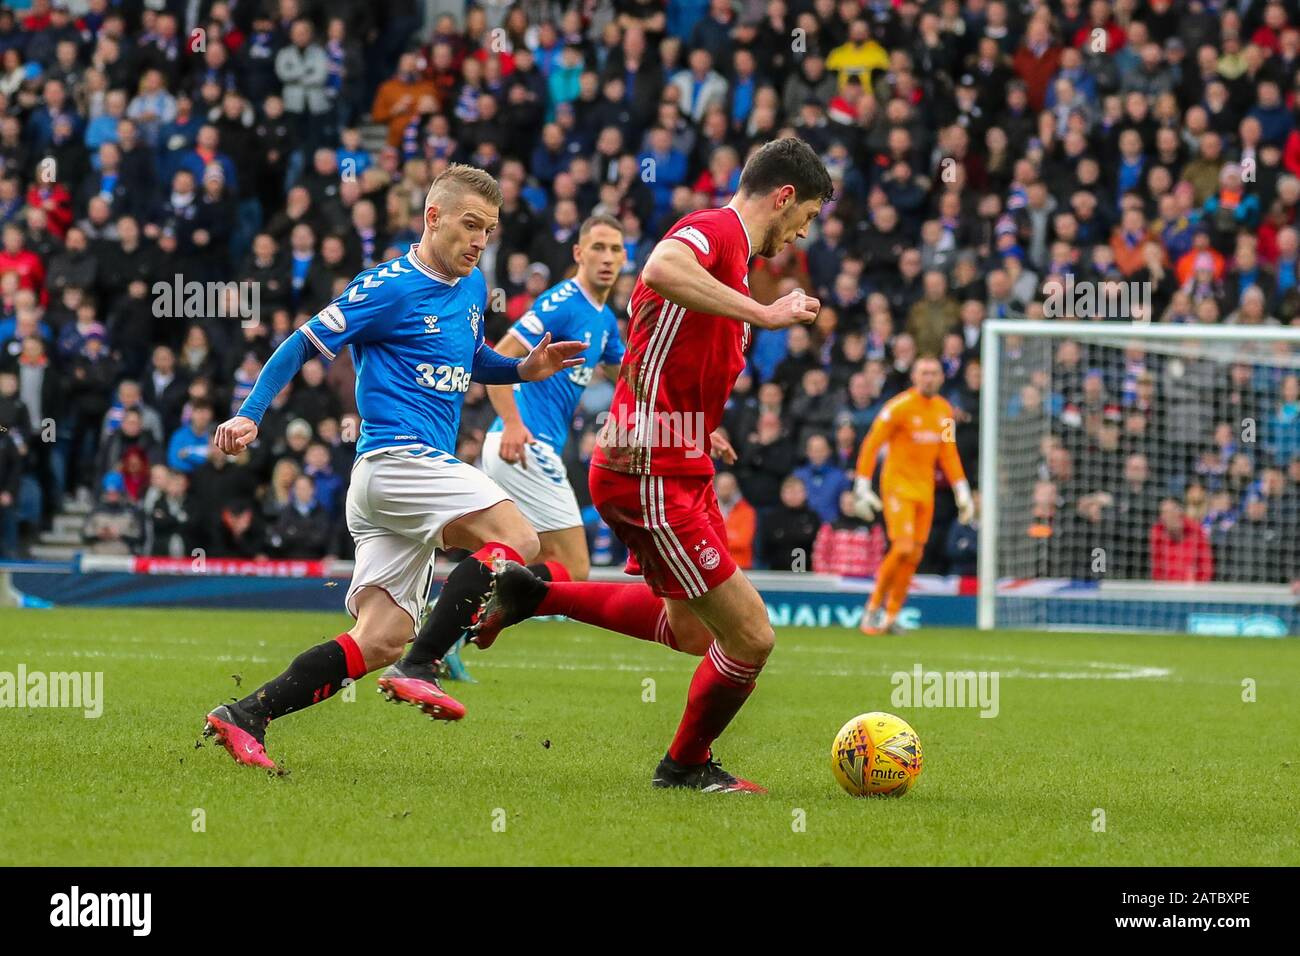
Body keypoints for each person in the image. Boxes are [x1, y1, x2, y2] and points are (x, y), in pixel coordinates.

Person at [469, 137, 833, 793]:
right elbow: (661, 269)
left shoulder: (734, 261)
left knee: (695, 632)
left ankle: (537, 593)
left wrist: (703, 427)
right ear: (782, 196)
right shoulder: (715, 231)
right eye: (805, 215)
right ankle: (684, 766)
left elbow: (667, 354)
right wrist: (764, 314)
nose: (803, 231)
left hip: (676, 457)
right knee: (751, 637)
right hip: (650, 470)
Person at [201, 164, 585, 769]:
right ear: (433, 218)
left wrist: (521, 370)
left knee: (378, 637)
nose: (480, 240)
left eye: (488, 228)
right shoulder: (386, 286)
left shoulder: (472, 285)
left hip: (395, 484)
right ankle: (424, 664)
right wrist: (252, 415)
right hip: (397, 458)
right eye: (469, 224)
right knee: (520, 537)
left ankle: (246, 715)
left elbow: (469, 357)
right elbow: (302, 340)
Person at [480, 214, 627, 581]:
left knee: (534, 552)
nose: (607, 258)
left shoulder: (605, 320)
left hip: (524, 445)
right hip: (524, 443)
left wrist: (690, 418)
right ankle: (463, 605)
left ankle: (466, 614)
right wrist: (513, 423)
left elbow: (632, 381)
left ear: (626, 258)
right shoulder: (562, 301)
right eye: (598, 248)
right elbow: (498, 357)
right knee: (576, 569)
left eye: (615, 249)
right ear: (579, 253)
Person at [852, 356, 974, 635]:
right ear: (915, 376)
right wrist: (861, 484)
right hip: (897, 487)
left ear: (942, 377)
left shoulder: (944, 410)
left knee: (915, 554)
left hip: (924, 490)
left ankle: (891, 616)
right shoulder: (898, 407)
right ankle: (872, 609)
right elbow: (873, 444)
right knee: (903, 547)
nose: (929, 377)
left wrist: (961, 490)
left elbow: (948, 452)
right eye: (924, 372)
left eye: (934, 372)